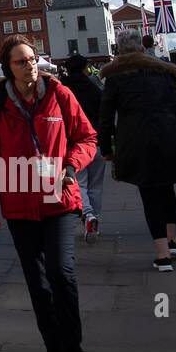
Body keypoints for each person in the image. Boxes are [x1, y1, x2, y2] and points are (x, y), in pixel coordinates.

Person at [0, 36, 98, 352]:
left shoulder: (60, 94)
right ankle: (55, 346)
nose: (30, 65)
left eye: (32, 59)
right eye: (21, 61)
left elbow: (87, 138)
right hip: (19, 207)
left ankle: (72, 345)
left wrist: (71, 166)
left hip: (58, 200)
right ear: (8, 68)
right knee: (39, 285)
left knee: (62, 273)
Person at [98, 29, 176, 271]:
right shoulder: (162, 72)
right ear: (142, 48)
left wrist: (106, 148)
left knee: (149, 193)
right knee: (166, 188)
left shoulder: (114, 77)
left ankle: (162, 254)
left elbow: (105, 117)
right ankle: (173, 240)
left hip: (135, 140)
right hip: (169, 134)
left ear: (119, 50)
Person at [62, 52, 107, 243]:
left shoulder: (62, 91)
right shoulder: (95, 89)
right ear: (84, 68)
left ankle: (88, 215)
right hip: (95, 142)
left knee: (79, 183)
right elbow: (104, 117)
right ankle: (93, 219)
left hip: (73, 146)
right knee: (96, 186)